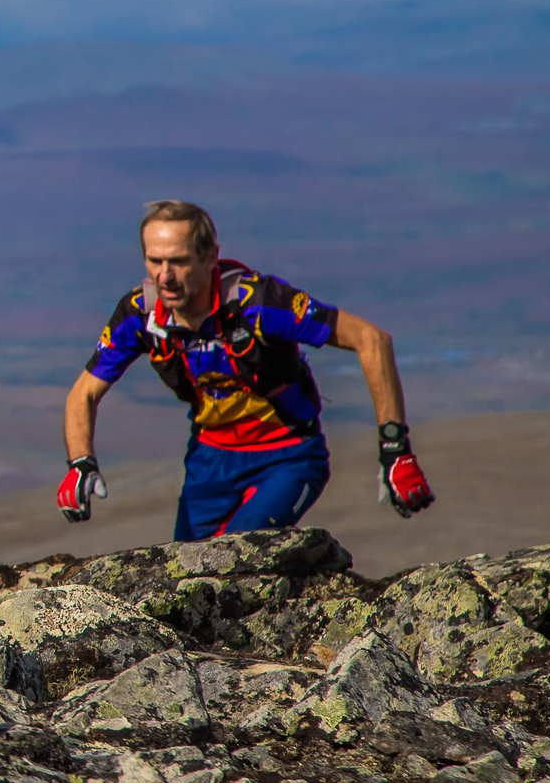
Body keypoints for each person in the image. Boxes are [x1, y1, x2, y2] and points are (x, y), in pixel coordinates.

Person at [58, 199, 434, 537]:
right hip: (209, 461)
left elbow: (371, 339)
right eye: (155, 261)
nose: (165, 276)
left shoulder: (261, 303)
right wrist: (80, 463)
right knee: (184, 580)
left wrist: (395, 450)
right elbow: (83, 393)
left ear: (210, 257)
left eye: (179, 261)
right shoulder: (139, 316)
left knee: (238, 559)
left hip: (288, 456)